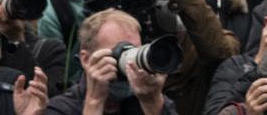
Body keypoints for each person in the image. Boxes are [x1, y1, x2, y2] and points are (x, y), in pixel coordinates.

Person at [42, 10, 174, 115]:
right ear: (86, 59)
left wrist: (153, 102)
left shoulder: (150, 100)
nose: (128, 64)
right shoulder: (59, 108)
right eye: (118, 53)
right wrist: (94, 101)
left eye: (134, 52)